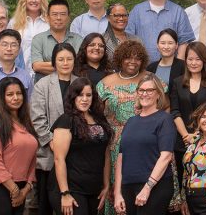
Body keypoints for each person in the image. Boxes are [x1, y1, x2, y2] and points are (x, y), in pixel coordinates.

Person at [97, 40, 152, 215]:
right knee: (116, 186)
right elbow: (97, 113)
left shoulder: (150, 79)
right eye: (128, 58)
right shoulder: (105, 83)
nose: (132, 62)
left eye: (137, 58)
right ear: (120, 59)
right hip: (115, 143)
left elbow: (163, 108)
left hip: (145, 142)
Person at [114, 75, 177, 215]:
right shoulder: (130, 122)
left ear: (158, 94)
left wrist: (147, 187)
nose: (144, 94)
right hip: (128, 187)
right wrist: (117, 193)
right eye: (141, 90)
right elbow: (121, 159)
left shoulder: (164, 119)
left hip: (155, 187)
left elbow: (166, 156)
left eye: (149, 90)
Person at [50, 77, 113, 215]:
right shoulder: (66, 120)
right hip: (71, 189)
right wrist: (65, 193)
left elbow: (106, 154)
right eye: (80, 95)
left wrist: (106, 185)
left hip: (94, 189)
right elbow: (58, 159)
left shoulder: (99, 119)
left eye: (88, 95)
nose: (84, 99)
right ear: (73, 97)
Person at [32, 43, 78, 215]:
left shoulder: (80, 83)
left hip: (75, 153)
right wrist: (51, 142)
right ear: (54, 62)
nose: (65, 63)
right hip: (48, 154)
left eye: (69, 59)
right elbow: (37, 118)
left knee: (70, 204)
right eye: (60, 59)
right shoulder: (42, 85)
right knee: (45, 204)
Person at [0, 77, 38, 215]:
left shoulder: (26, 123)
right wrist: (14, 189)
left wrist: (25, 189)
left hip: (21, 186)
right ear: (1, 98)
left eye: (19, 94)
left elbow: (32, 159)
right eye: (10, 94)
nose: (15, 98)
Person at [168, 41, 206, 184]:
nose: (194, 63)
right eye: (190, 59)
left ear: (204, 60)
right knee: (182, 181)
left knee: (203, 181)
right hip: (182, 141)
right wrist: (186, 136)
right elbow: (175, 111)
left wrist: (198, 134)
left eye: (198, 59)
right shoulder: (177, 82)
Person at [127, 0, 195, 63]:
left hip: (170, 69)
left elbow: (184, 42)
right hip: (141, 68)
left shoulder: (178, 12)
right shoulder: (137, 11)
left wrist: (178, 67)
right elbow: (128, 39)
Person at [30, 0, 84, 83]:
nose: (59, 18)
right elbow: (37, 66)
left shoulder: (78, 39)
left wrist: (48, 65)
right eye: (54, 14)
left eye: (63, 14)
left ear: (68, 17)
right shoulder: (38, 39)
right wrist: (68, 66)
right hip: (44, 87)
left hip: (72, 87)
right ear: (48, 17)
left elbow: (79, 66)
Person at [10, 0, 50, 67]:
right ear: (25, 0)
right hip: (19, 71)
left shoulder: (49, 23)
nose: (34, 0)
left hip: (44, 72)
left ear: (42, 1)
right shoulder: (14, 23)